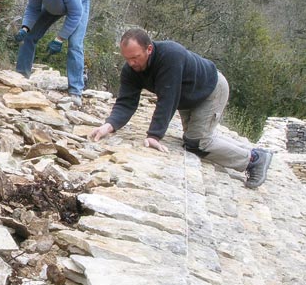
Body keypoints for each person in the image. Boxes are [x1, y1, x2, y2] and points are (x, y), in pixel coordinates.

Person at [90, 27, 273, 188]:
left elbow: (168, 98)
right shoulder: (131, 70)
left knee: (198, 143)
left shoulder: (170, 55)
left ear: (149, 49)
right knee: (192, 140)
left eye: (135, 57)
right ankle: (255, 152)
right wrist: (109, 125)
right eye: (127, 58)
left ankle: (253, 160)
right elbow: (126, 102)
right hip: (187, 96)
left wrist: (154, 135)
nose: (131, 63)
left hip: (210, 89)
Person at [14, 0, 91, 105]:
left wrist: (59, 38)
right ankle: (21, 77)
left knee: (75, 44)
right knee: (29, 36)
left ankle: (75, 91)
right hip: (53, 5)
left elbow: (75, 15)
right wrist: (25, 28)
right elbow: (33, 8)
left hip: (79, 2)